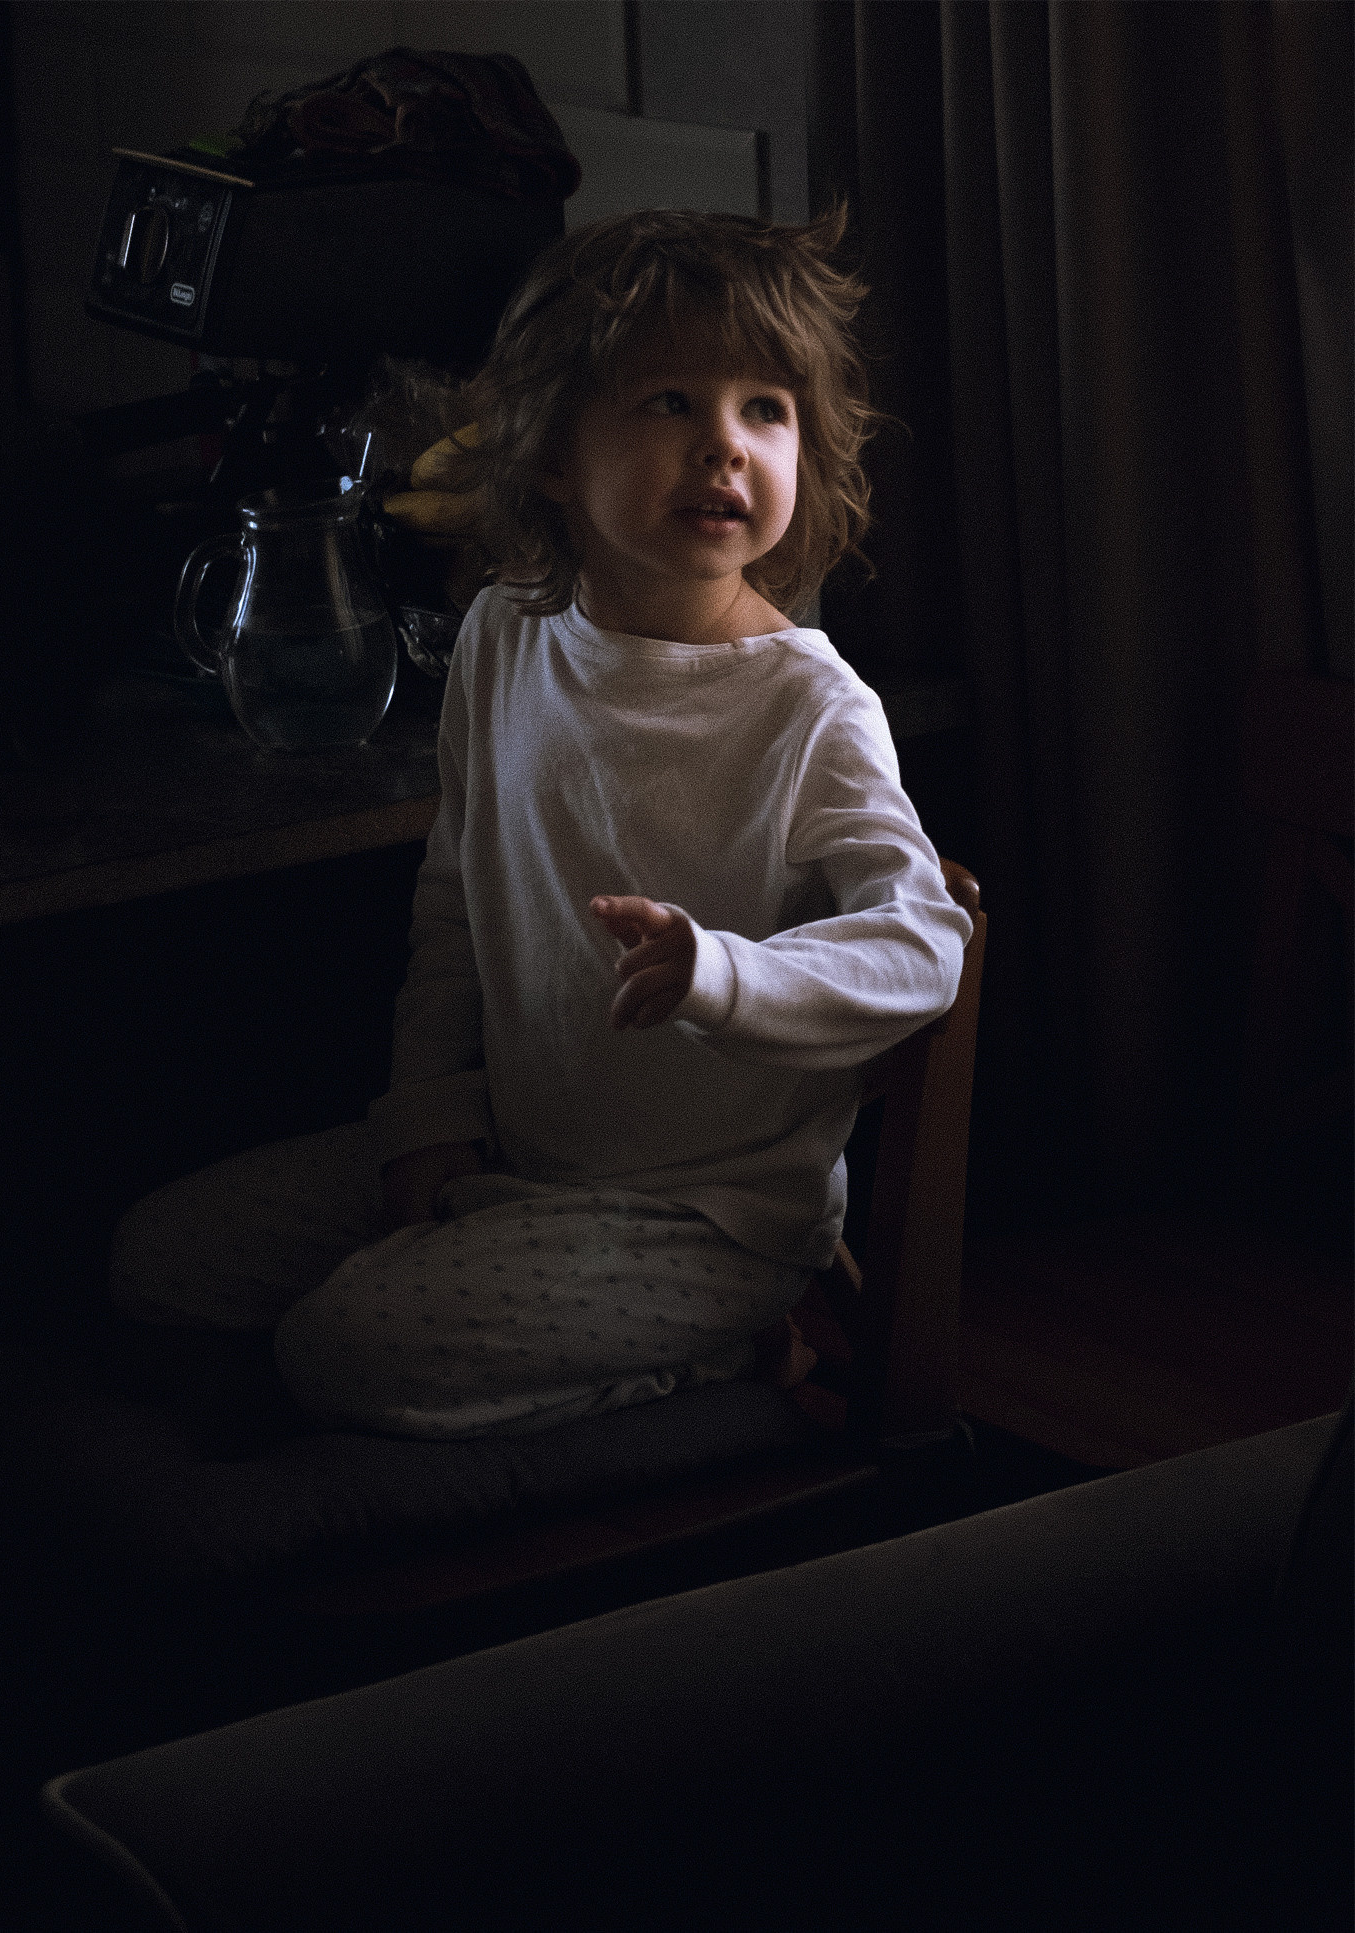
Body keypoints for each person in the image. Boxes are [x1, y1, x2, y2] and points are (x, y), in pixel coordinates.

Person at [110, 206, 975, 1440]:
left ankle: (729, 1350)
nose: (724, 445)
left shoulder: (809, 707)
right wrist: (429, 1118)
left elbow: (924, 945)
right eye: (669, 401)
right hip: (516, 1149)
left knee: (336, 1349)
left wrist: (722, 973)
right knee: (156, 1262)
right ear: (554, 454)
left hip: (703, 1214)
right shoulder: (504, 635)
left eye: (765, 409)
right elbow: (454, 903)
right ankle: (481, 1272)